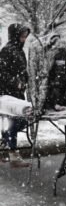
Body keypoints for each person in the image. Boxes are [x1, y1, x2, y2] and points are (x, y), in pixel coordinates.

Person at [0, 23, 30, 165]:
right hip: (8, 94)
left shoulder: (20, 51)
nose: (24, 39)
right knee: (14, 120)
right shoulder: (7, 50)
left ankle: (5, 144)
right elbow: (2, 73)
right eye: (22, 36)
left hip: (18, 93)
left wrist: (27, 79)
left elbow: (23, 70)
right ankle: (12, 153)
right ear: (15, 36)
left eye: (25, 36)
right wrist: (15, 82)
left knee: (21, 120)